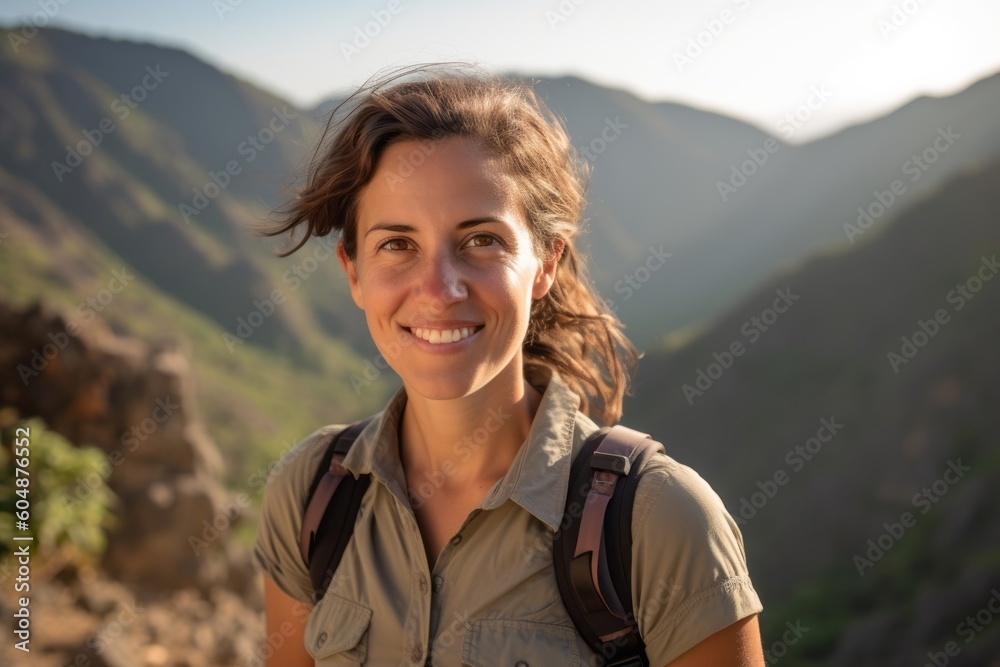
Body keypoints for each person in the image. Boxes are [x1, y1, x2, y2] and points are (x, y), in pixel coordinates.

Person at [252, 65, 764, 666]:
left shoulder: (658, 522)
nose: (439, 289)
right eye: (397, 244)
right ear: (354, 272)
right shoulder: (313, 496)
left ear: (546, 263)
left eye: (481, 241)